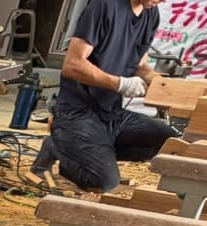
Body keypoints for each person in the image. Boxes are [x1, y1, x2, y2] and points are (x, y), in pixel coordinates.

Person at [31, 0, 171, 192]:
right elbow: (72, 65)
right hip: (77, 112)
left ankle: (81, 149)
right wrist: (120, 83)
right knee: (103, 182)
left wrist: (167, 88)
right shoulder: (104, 5)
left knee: (171, 143)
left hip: (112, 112)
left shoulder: (150, 14)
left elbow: (139, 66)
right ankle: (62, 146)